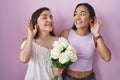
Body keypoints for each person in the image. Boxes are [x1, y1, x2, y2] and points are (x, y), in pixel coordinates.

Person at [60, 3, 111, 80]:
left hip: (89, 78)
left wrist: (96, 34)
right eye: (75, 14)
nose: (77, 17)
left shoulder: (94, 37)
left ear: (91, 19)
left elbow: (107, 58)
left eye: (82, 14)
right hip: (68, 78)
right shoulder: (66, 34)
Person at [19, 7, 66, 80]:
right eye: (45, 17)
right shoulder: (29, 42)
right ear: (36, 23)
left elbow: (66, 61)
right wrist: (30, 36)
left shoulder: (61, 41)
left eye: (51, 17)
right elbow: (24, 59)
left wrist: (61, 67)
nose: (50, 20)